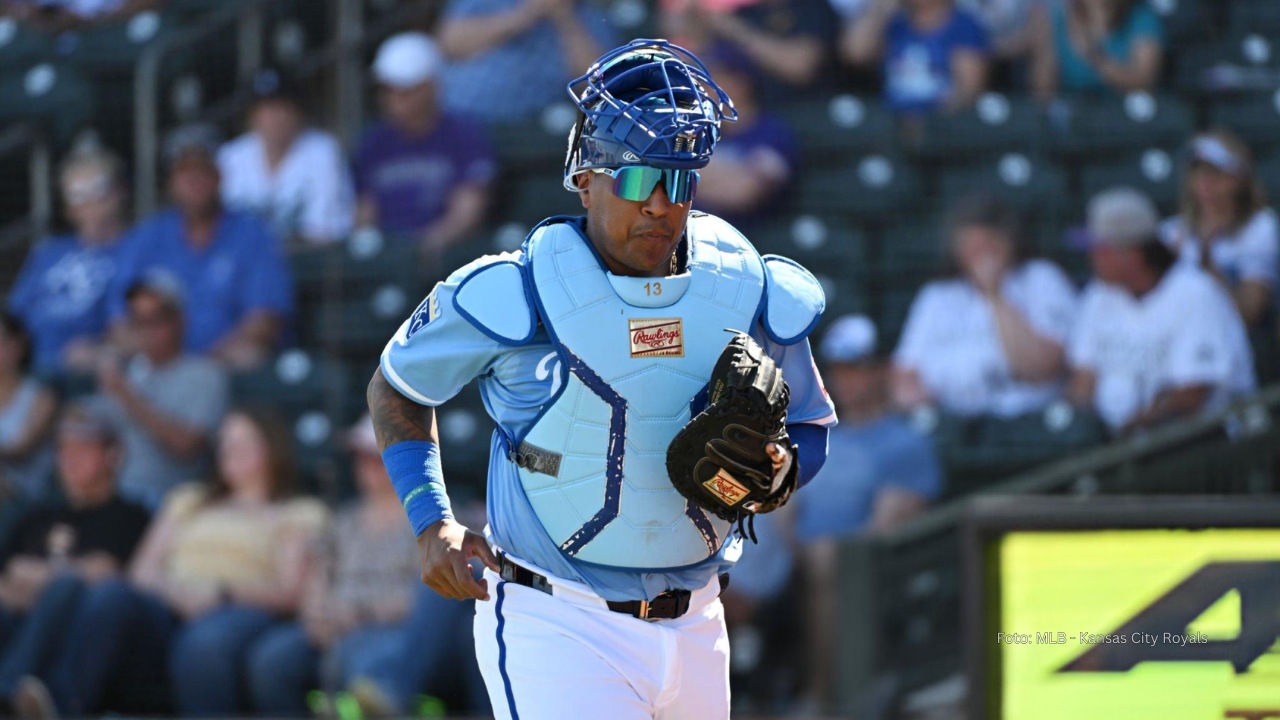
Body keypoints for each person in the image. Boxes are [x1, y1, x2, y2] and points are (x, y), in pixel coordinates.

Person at [367, 40, 836, 718]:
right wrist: (429, 518)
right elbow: (397, 388)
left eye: (678, 182)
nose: (660, 206)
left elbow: (811, 429)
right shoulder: (516, 291)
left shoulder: (744, 288)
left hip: (700, 619)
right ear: (586, 177)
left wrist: (778, 469)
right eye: (640, 180)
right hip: (558, 620)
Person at [28, 407, 329, 718]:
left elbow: (289, 590)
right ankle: (58, 706)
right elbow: (140, 573)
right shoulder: (190, 498)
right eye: (224, 442)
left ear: (272, 448)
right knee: (111, 594)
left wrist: (219, 593)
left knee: (204, 643)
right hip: (167, 606)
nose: (229, 451)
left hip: (239, 609)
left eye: (243, 442)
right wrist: (179, 593)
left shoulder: (298, 511)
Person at [244, 414, 440, 716]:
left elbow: (431, 596)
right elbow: (320, 572)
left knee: (362, 658)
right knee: (273, 660)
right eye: (360, 456)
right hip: (332, 626)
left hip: (391, 630)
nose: (366, 465)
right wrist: (316, 616)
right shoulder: (344, 520)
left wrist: (358, 613)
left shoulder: (429, 521)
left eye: (377, 456)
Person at [793, 314, 941, 711]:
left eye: (857, 368)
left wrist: (817, 552)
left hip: (865, 569)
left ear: (881, 370)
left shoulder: (903, 442)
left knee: (829, 560)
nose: (847, 380)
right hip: (794, 557)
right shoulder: (817, 433)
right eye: (839, 369)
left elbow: (884, 530)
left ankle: (824, 699)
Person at [1068, 187, 1256, 435]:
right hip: (1121, 449)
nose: (1092, 258)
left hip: (1202, 447)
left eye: (1101, 250)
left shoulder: (1196, 293)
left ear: (1133, 255)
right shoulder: (1098, 295)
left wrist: (1126, 432)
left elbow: (1191, 397)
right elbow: (1083, 380)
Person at [0, 404, 150, 712]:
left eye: (83, 447)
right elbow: (7, 580)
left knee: (67, 589)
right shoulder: (36, 512)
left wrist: (42, 582)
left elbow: (107, 576)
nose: (70, 458)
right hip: (17, 622)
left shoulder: (131, 516)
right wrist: (64, 578)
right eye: (63, 449)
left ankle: (8, 694)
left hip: (80, 639)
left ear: (113, 455)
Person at [110, 124, 295, 369]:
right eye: (184, 171)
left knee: (249, 355)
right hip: (157, 368)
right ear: (170, 181)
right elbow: (119, 321)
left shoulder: (252, 233)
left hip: (222, 367)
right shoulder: (147, 237)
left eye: (203, 170)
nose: (194, 180)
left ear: (219, 175)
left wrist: (202, 366)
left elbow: (263, 320)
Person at [892, 195, 1077, 418]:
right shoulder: (937, 295)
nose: (978, 255)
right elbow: (904, 376)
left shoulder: (1041, 278)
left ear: (1008, 241)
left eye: (986, 245)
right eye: (969, 245)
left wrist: (994, 294)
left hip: (1026, 419)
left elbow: (1040, 367)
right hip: (953, 422)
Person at [354, 33, 497, 268]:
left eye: (405, 90)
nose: (395, 99)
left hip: (444, 256)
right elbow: (364, 213)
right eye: (388, 90)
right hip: (387, 255)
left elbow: (468, 210)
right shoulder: (373, 143)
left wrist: (425, 245)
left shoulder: (464, 134)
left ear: (431, 87)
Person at [92, 275, 229, 510]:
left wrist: (125, 393)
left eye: (156, 319)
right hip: (116, 497)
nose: (146, 329)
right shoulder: (126, 371)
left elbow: (186, 447)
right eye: (137, 319)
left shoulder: (204, 373)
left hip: (175, 500)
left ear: (180, 320)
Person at [7, 143, 134, 375]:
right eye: (77, 194)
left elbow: (131, 326)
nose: (91, 202)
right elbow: (14, 314)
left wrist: (104, 347)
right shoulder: (48, 252)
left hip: (85, 368)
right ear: (67, 208)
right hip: (26, 362)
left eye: (99, 188)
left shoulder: (138, 248)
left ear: (120, 191)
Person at [218, 68, 357, 248]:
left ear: (298, 111)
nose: (275, 117)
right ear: (251, 116)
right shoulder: (231, 157)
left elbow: (325, 231)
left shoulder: (322, 152)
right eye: (266, 108)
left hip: (306, 264)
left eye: (282, 107)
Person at [1161, 130, 1278, 333]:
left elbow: (1250, 314)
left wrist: (1207, 268)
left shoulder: (1261, 227)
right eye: (1197, 171)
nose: (1205, 181)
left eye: (1215, 172)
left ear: (1239, 178)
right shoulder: (1170, 232)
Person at [436, 0, 614, 124]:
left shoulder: (589, 19)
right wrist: (526, 14)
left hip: (521, 126)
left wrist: (564, 17)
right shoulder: (492, 4)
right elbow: (450, 44)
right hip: (453, 118)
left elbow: (594, 85)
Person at [691, 43, 799, 228]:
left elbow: (744, 191)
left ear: (741, 82)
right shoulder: (701, 132)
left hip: (744, 240)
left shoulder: (773, 133)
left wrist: (689, 178)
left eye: (715, 78)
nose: (703, 88)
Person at [661, 0, 841, 104]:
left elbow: (800, 66)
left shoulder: (811, 7)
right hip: (756, 115)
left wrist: (737, 30)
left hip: (811, 106)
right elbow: (696, 56)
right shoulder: (746, 13)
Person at [842, 0, 991, 115]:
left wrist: (930, 122)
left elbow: (968, 91)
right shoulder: (894, 24)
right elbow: (855, 53)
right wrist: (880, 9)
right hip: (891, 126)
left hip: (944, 129)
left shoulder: (963, 25)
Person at [1030, 0, 1163, 99]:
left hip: (1125, 120)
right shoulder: (1059, 17)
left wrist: (1094, 56)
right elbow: (1043, 92)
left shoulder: (1141, 16)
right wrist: (1043, 42)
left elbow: (1143, 81)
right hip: (1074, 119)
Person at [0, 313, 57, 502]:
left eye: (3, 342)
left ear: (20, 345)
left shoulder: (42, 396)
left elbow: (21, 450)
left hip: (23, 494)